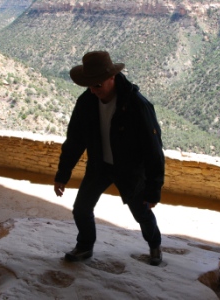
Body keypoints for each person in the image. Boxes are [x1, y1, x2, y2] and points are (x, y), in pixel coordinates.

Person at [53, 51, 165, 266]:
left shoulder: (137, 105)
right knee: (81, 209)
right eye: (90, 86)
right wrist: (62, 174)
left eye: (98, 85)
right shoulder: (86, 102)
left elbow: (153, 150)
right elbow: (74, 140)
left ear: (112, 77)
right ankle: (85, 246)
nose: (94, 91)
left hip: (130, 170)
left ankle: (154, 245)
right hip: (99, 166)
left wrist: (154, 189)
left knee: (141, 212)